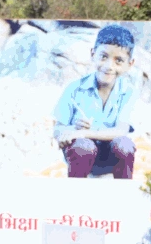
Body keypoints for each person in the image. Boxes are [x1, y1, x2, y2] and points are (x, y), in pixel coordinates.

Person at [53, 24, 138, 180]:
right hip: (81, 153)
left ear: (129, 64)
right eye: (103, 56)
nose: (109, 66)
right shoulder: (74, 89)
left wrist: (84, 132)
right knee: (83, 146)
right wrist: (72, 130)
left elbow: (121, 131)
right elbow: (58, 129)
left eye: (118, 61)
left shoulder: (128, 92)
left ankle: (124, 190)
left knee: (125, 145)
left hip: (111, 158)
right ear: (93, 54)